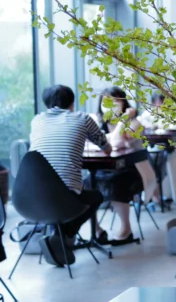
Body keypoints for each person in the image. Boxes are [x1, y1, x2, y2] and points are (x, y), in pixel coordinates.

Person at [28, 85, 111, 251]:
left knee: (59, 195)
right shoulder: (83, 118)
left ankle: (59, 237)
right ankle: (66, 233)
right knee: (96, 197)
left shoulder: (37, 120)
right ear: (72, 103)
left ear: (46, 104)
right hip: (67, 196)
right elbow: (107, 149)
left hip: (31, 195)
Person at [88, 87, 159, 245]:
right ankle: (96, 229)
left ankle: (126, 228)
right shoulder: (99, 124)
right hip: (105, 168)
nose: (111, 104)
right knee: (88, 183)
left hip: (135, 170)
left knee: (117, 181)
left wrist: (122, 120)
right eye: (106, 100)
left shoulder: (135, 122)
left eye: (115, 100)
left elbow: (115, 142)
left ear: (123, 102)